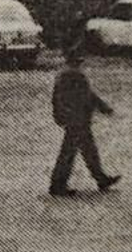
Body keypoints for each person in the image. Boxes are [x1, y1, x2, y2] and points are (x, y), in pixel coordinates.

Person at [49, 47, 121, 198]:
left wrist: (59, 115)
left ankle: (100, 178)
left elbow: (57, 98)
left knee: (87, 150)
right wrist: (104, 108)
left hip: (74, 118)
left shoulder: (64, 74)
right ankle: (58, 185)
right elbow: (88, 96)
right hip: (77, 118)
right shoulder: (75, 75)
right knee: (70, 152)